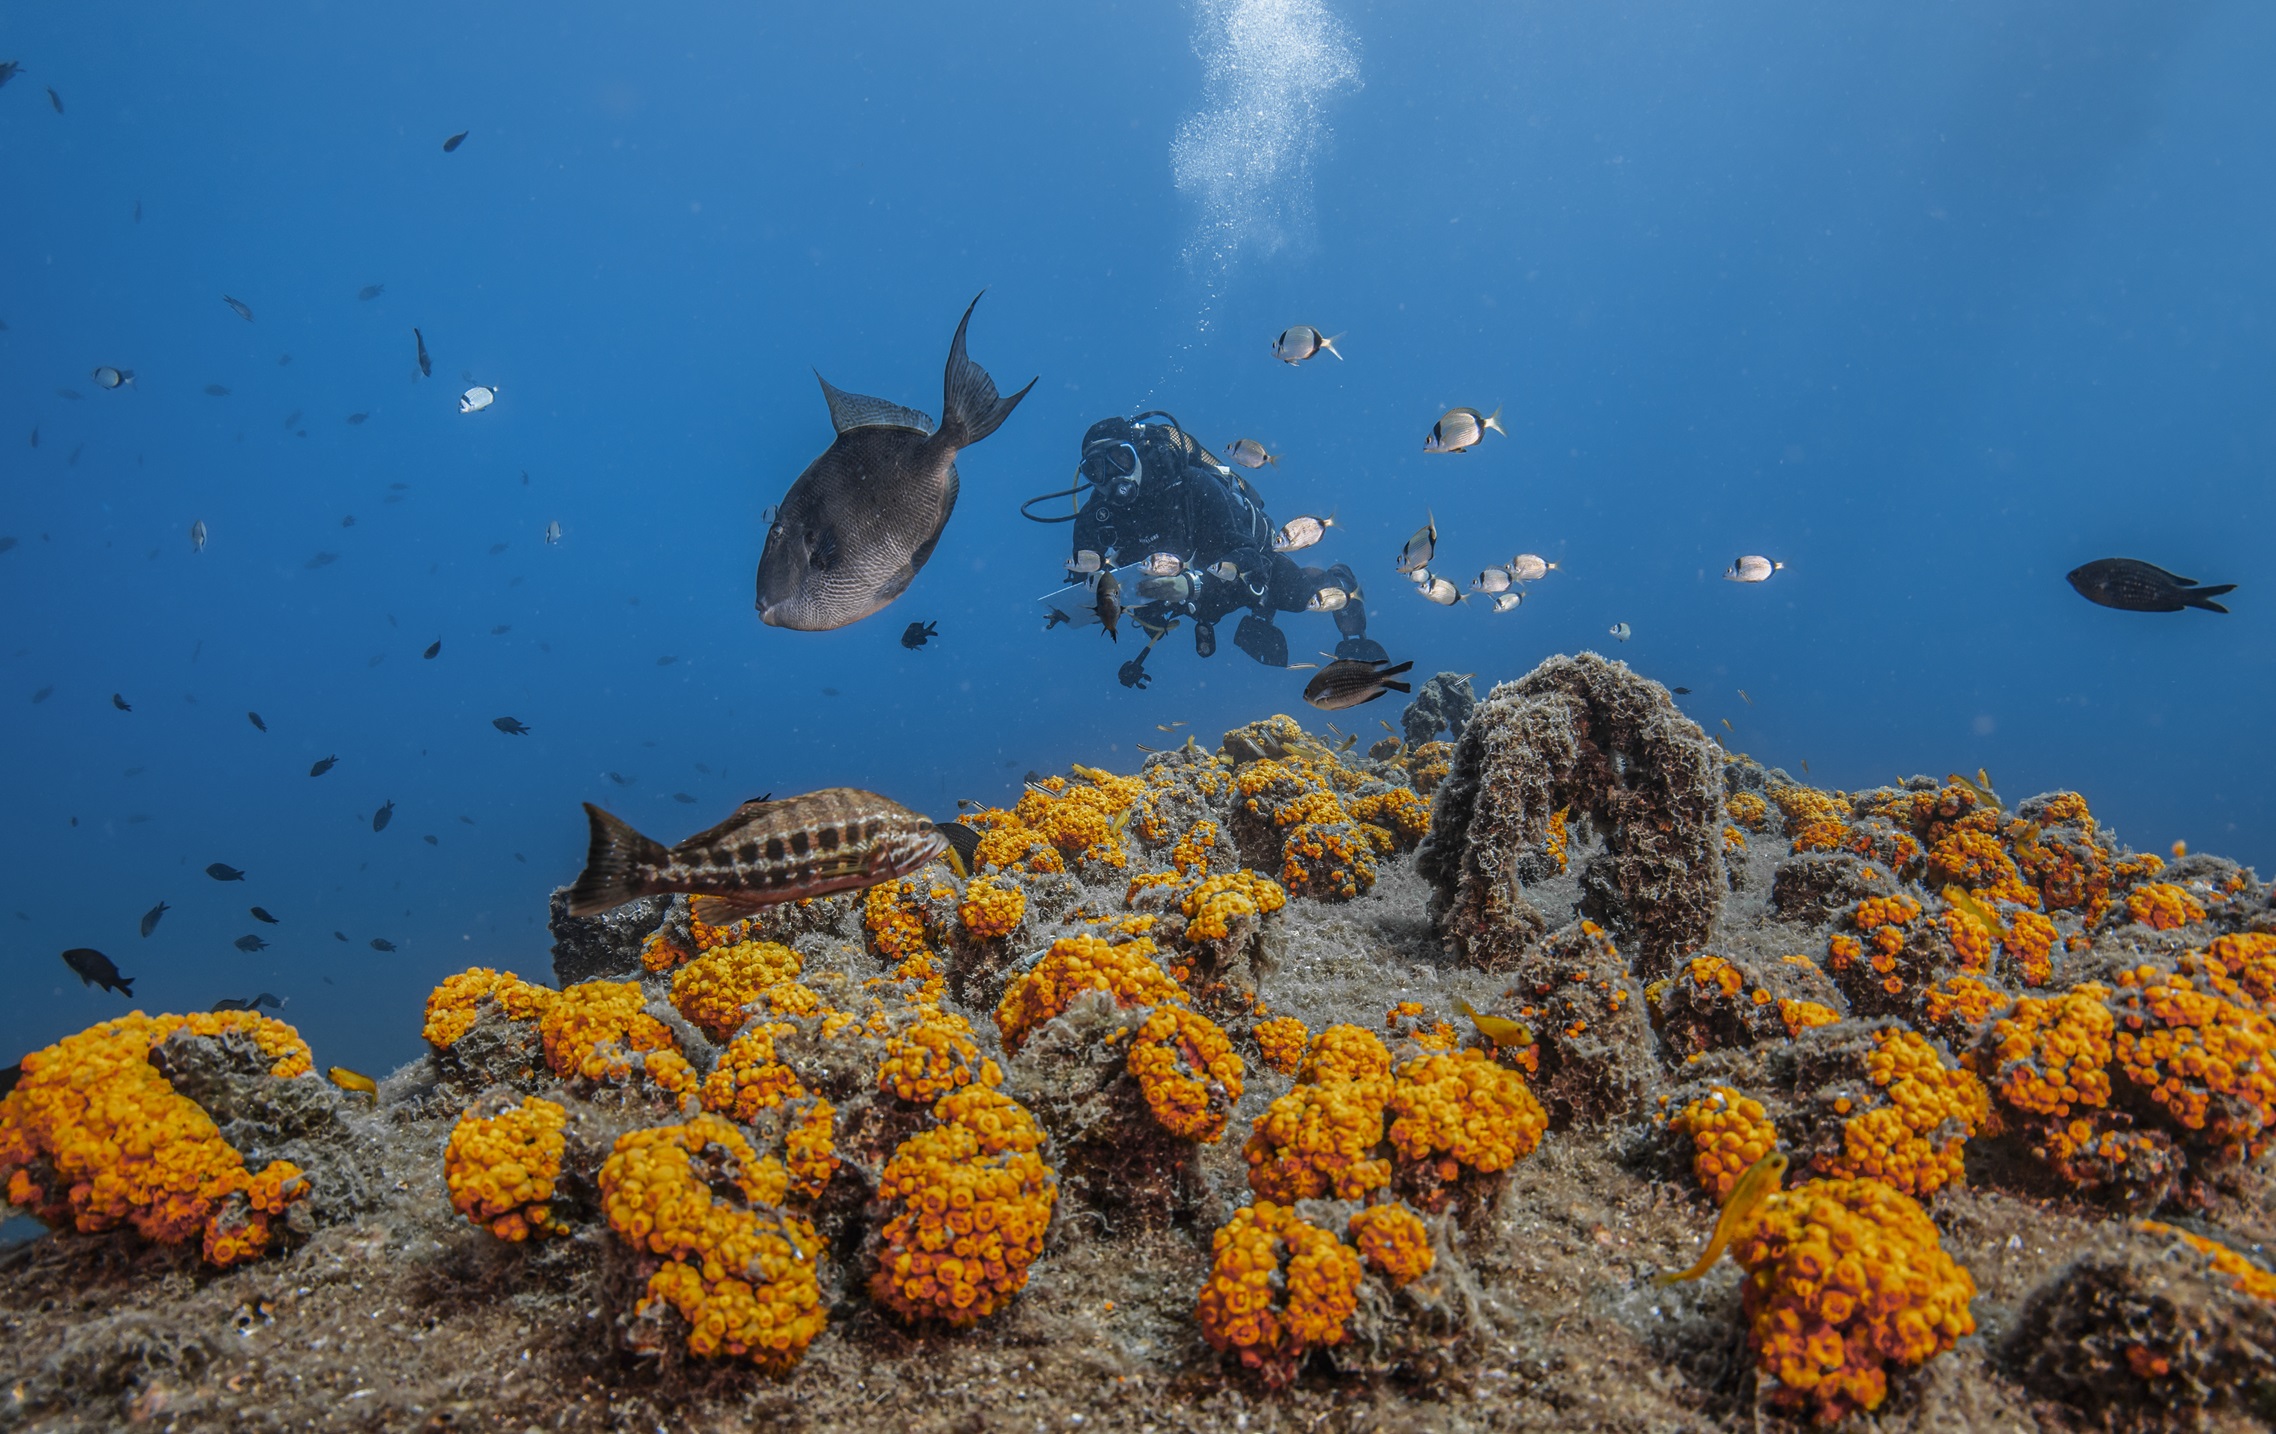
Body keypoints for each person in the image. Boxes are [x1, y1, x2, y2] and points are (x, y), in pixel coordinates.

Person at [1024, 411, 1388, 688]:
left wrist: (1193, 585)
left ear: (1138, 453)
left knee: (1299, 598)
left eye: (1119, 460)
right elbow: (1081, 579)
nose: (1112, 477)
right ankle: (1259, 612)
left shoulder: (1191, 486)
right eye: (1096, 470)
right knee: (1213, 611)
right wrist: (1067, 609)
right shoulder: (1095, 518)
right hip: (1186, 601)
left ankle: (1339, 583)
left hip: (1238, 574)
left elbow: (1250, 554)